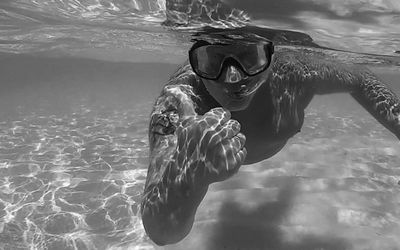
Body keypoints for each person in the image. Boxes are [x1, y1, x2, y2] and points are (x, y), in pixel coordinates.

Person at [140, 28, 400, 246]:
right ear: (195, 63)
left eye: (250, 58)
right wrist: (187, 176)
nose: (233, 77)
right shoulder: (179, 104)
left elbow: (361, 78)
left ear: (271, 56)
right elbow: (161, 232)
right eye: (211, 61)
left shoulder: (296, 72)